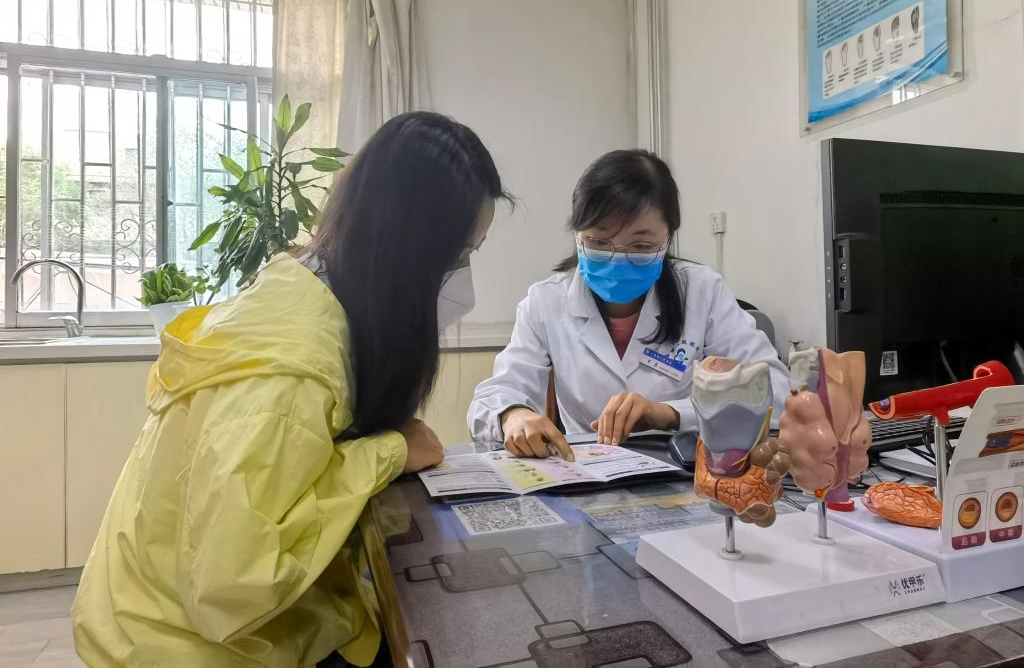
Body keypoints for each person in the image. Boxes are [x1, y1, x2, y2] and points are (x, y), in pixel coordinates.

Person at [72, 112, 510, 667]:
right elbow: (234, 585)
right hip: (183, 644)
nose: (462, 276)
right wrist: (388, 452)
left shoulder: (301, 287)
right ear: (406, 250)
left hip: (161, 612)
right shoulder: (292, 369)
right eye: (458, 256)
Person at [468, 150, 788, 458]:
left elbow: (778, 393)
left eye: (641, 245)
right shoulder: (545, 302)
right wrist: (513, 415)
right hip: (587, 469)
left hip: (686, 469)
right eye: (599, 242)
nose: (617, 258)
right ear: (578, 235)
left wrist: (671, 414)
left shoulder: (702, 291)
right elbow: (493, 398)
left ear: (667, 238)